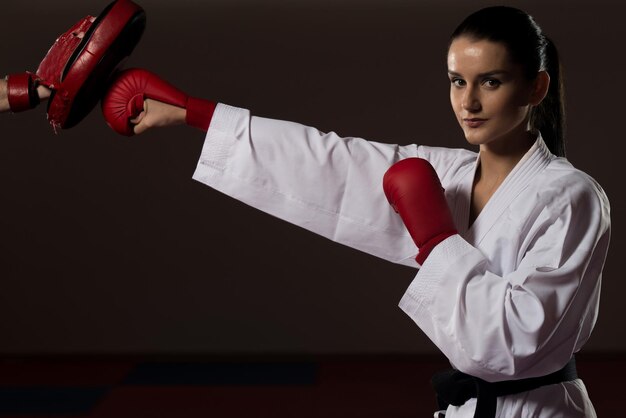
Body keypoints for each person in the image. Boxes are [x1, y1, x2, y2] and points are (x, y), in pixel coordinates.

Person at [2, 5, 611, 418]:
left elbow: (509, 344)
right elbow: (332, 164)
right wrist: (191, 112)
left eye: (491, 82)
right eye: (456, 81)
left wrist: (433, 241)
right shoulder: (454, 173)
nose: (468, 101)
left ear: (536, 87)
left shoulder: (572, 197)